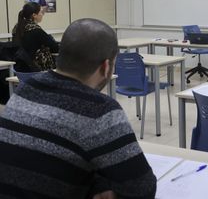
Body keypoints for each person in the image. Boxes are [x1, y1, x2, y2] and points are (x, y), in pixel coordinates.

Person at [0, 19, 157, 198]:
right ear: (106, 67)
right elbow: (143, 189)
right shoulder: (100, 109)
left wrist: (96, 184)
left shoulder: (26, 88)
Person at [12, 2, 59, 72]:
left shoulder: (17, 29)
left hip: (20, 69)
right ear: (34, 15)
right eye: (41, 12)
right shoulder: (36, 30)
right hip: (36, 69)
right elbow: (55, 48)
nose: (42, 14)